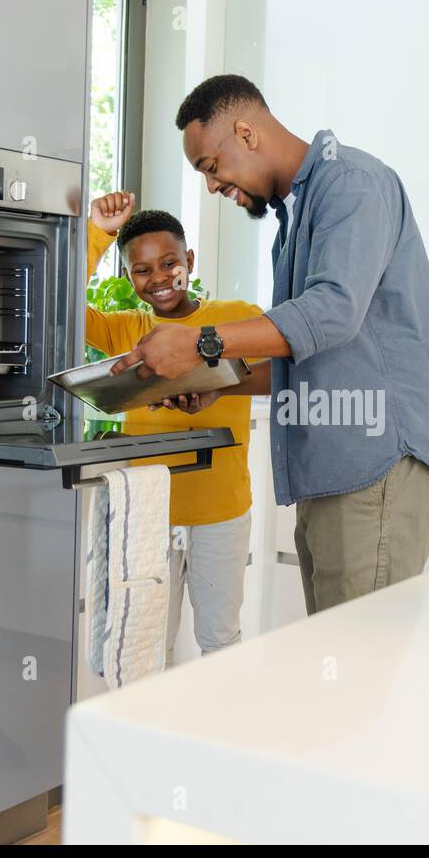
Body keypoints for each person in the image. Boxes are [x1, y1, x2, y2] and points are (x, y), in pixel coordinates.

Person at [110, 75, 429, 615]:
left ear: (246, 133)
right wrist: (217, 381)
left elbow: (331, 313)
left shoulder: (352, 184)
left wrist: (200, 344)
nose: (211, 186)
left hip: (377, 460)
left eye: (209, 166)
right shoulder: (293, 220)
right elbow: (310, 352)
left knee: (358, 662)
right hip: (335, 468)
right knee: (334, 659)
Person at [86, 193, 269, 663]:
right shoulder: (122, 330)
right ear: (128, 277)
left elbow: (281, 372)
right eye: (142, 270)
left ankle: (212, 734)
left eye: (169, 263)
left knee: (221, 640)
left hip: (221, 509)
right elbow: (59, 297)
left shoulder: (233, 318)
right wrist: (98, 235)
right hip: (147, 511)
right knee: (146, 643)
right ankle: (151, 734)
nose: (159, 279)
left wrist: (219, 388)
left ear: (188, 260)